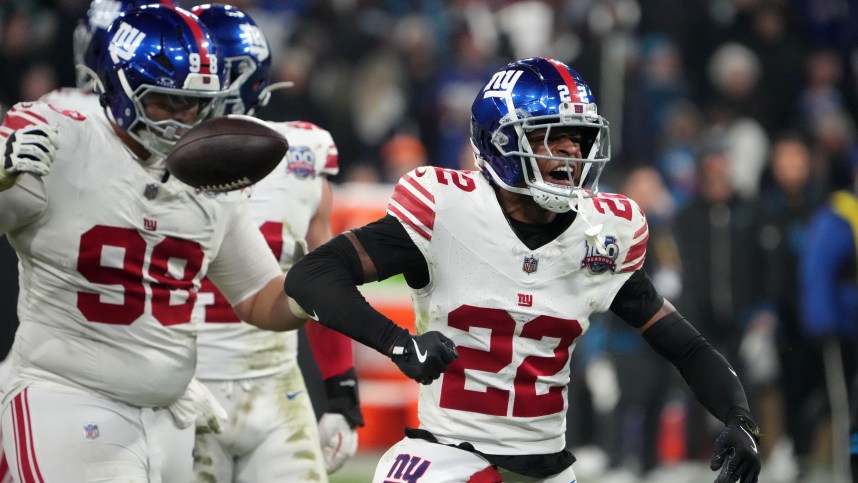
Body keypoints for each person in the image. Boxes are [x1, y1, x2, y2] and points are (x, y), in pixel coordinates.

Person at [285, 57, 762, 482]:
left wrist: (738, 418)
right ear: (500, 143)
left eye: (579, 137)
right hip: (446, 455)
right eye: (551, 136)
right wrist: (398, 342)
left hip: (546, 466)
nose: (572, 152)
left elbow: (685, 347)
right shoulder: (447, 212)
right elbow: (313, 274)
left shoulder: (602, 235)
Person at [0, 5, 307, 482]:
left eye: (196, 103)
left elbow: (261, 299)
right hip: (65, 397)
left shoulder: (208, 169)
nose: (186, 118)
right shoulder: (60, 138)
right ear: (121, 88)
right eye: (168, 101)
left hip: (169, 415)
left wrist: (319, 285)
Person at [189, 4, 362, 481]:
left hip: (275, 387)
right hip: (181, 387)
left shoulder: (302, 158)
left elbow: (326, 280)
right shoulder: (146, 164)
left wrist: (342, 393)